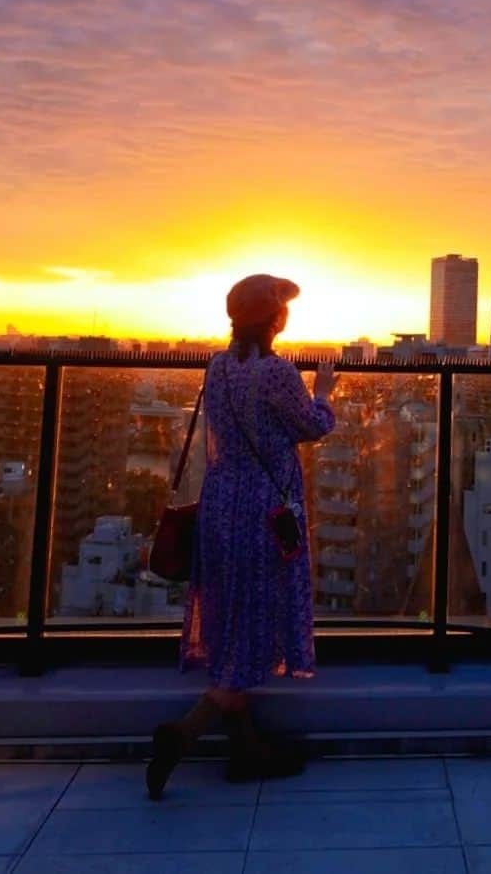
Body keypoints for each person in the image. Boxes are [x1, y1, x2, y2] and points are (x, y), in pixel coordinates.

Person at [146, 273, 337, 800]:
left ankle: (246, 750)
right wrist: (324, 393)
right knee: (256, 614)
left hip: (221, 503)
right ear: (276, 320)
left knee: (232, 613)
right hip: (263, 508)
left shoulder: (217, 365)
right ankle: (183, 734)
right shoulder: (276, 373)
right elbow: (312, 427)